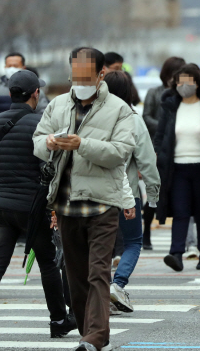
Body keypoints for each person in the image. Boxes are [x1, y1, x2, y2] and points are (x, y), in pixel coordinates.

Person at [33, 47, 137, 351]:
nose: (79, 81)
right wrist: (50, 142)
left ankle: (96, 336)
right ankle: (88, 333)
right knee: (75, 278)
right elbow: (38, 140)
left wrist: (82, 144)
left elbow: (121, 152)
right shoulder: (58, 105)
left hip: (102, 204)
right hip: (65, 204)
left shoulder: (119, 109)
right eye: (75, 75)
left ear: (101, 74)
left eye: (86, 76)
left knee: (97, 274)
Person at [0, 70, 75, 342]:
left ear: (10, 93)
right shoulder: (42, 126)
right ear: (36, 94)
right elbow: (52, 167)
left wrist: (0, 184)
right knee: (48, 264)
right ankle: (58, 319)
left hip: (0, 207)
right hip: (33, 207)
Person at [103, 71, 160, 313]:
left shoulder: (92, 117)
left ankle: (100, 291)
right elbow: (147, 162)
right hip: (127, 194)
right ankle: (118, 284)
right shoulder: (134, 120)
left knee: (99, 245)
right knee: (133, 242)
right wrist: (154, 196)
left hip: (93, 194)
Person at [154, 63, 200, 272]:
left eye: (188, 81)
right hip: (177, 168)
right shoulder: (171, 106)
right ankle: (176, 254)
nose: (184, 85)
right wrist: (157, 158)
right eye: (180, 81)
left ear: (198, 82)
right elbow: (160, 136)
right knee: (180, 211)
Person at [142, 56, 185, 250]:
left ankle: (180, 241)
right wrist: (166, 127)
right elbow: (146, 117)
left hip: (180, 148)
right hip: (158, 148)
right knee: (155, 191)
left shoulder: (184, 94)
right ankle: (146, 232)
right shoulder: (154, 92)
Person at [0, 52, 48, 128]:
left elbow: (44, 114)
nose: (12, 69)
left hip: (28, 132)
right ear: (5, 67)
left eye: (15, 66)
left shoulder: (35, 90)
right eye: (9, 66)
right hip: (1, 135)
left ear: (23, 67)